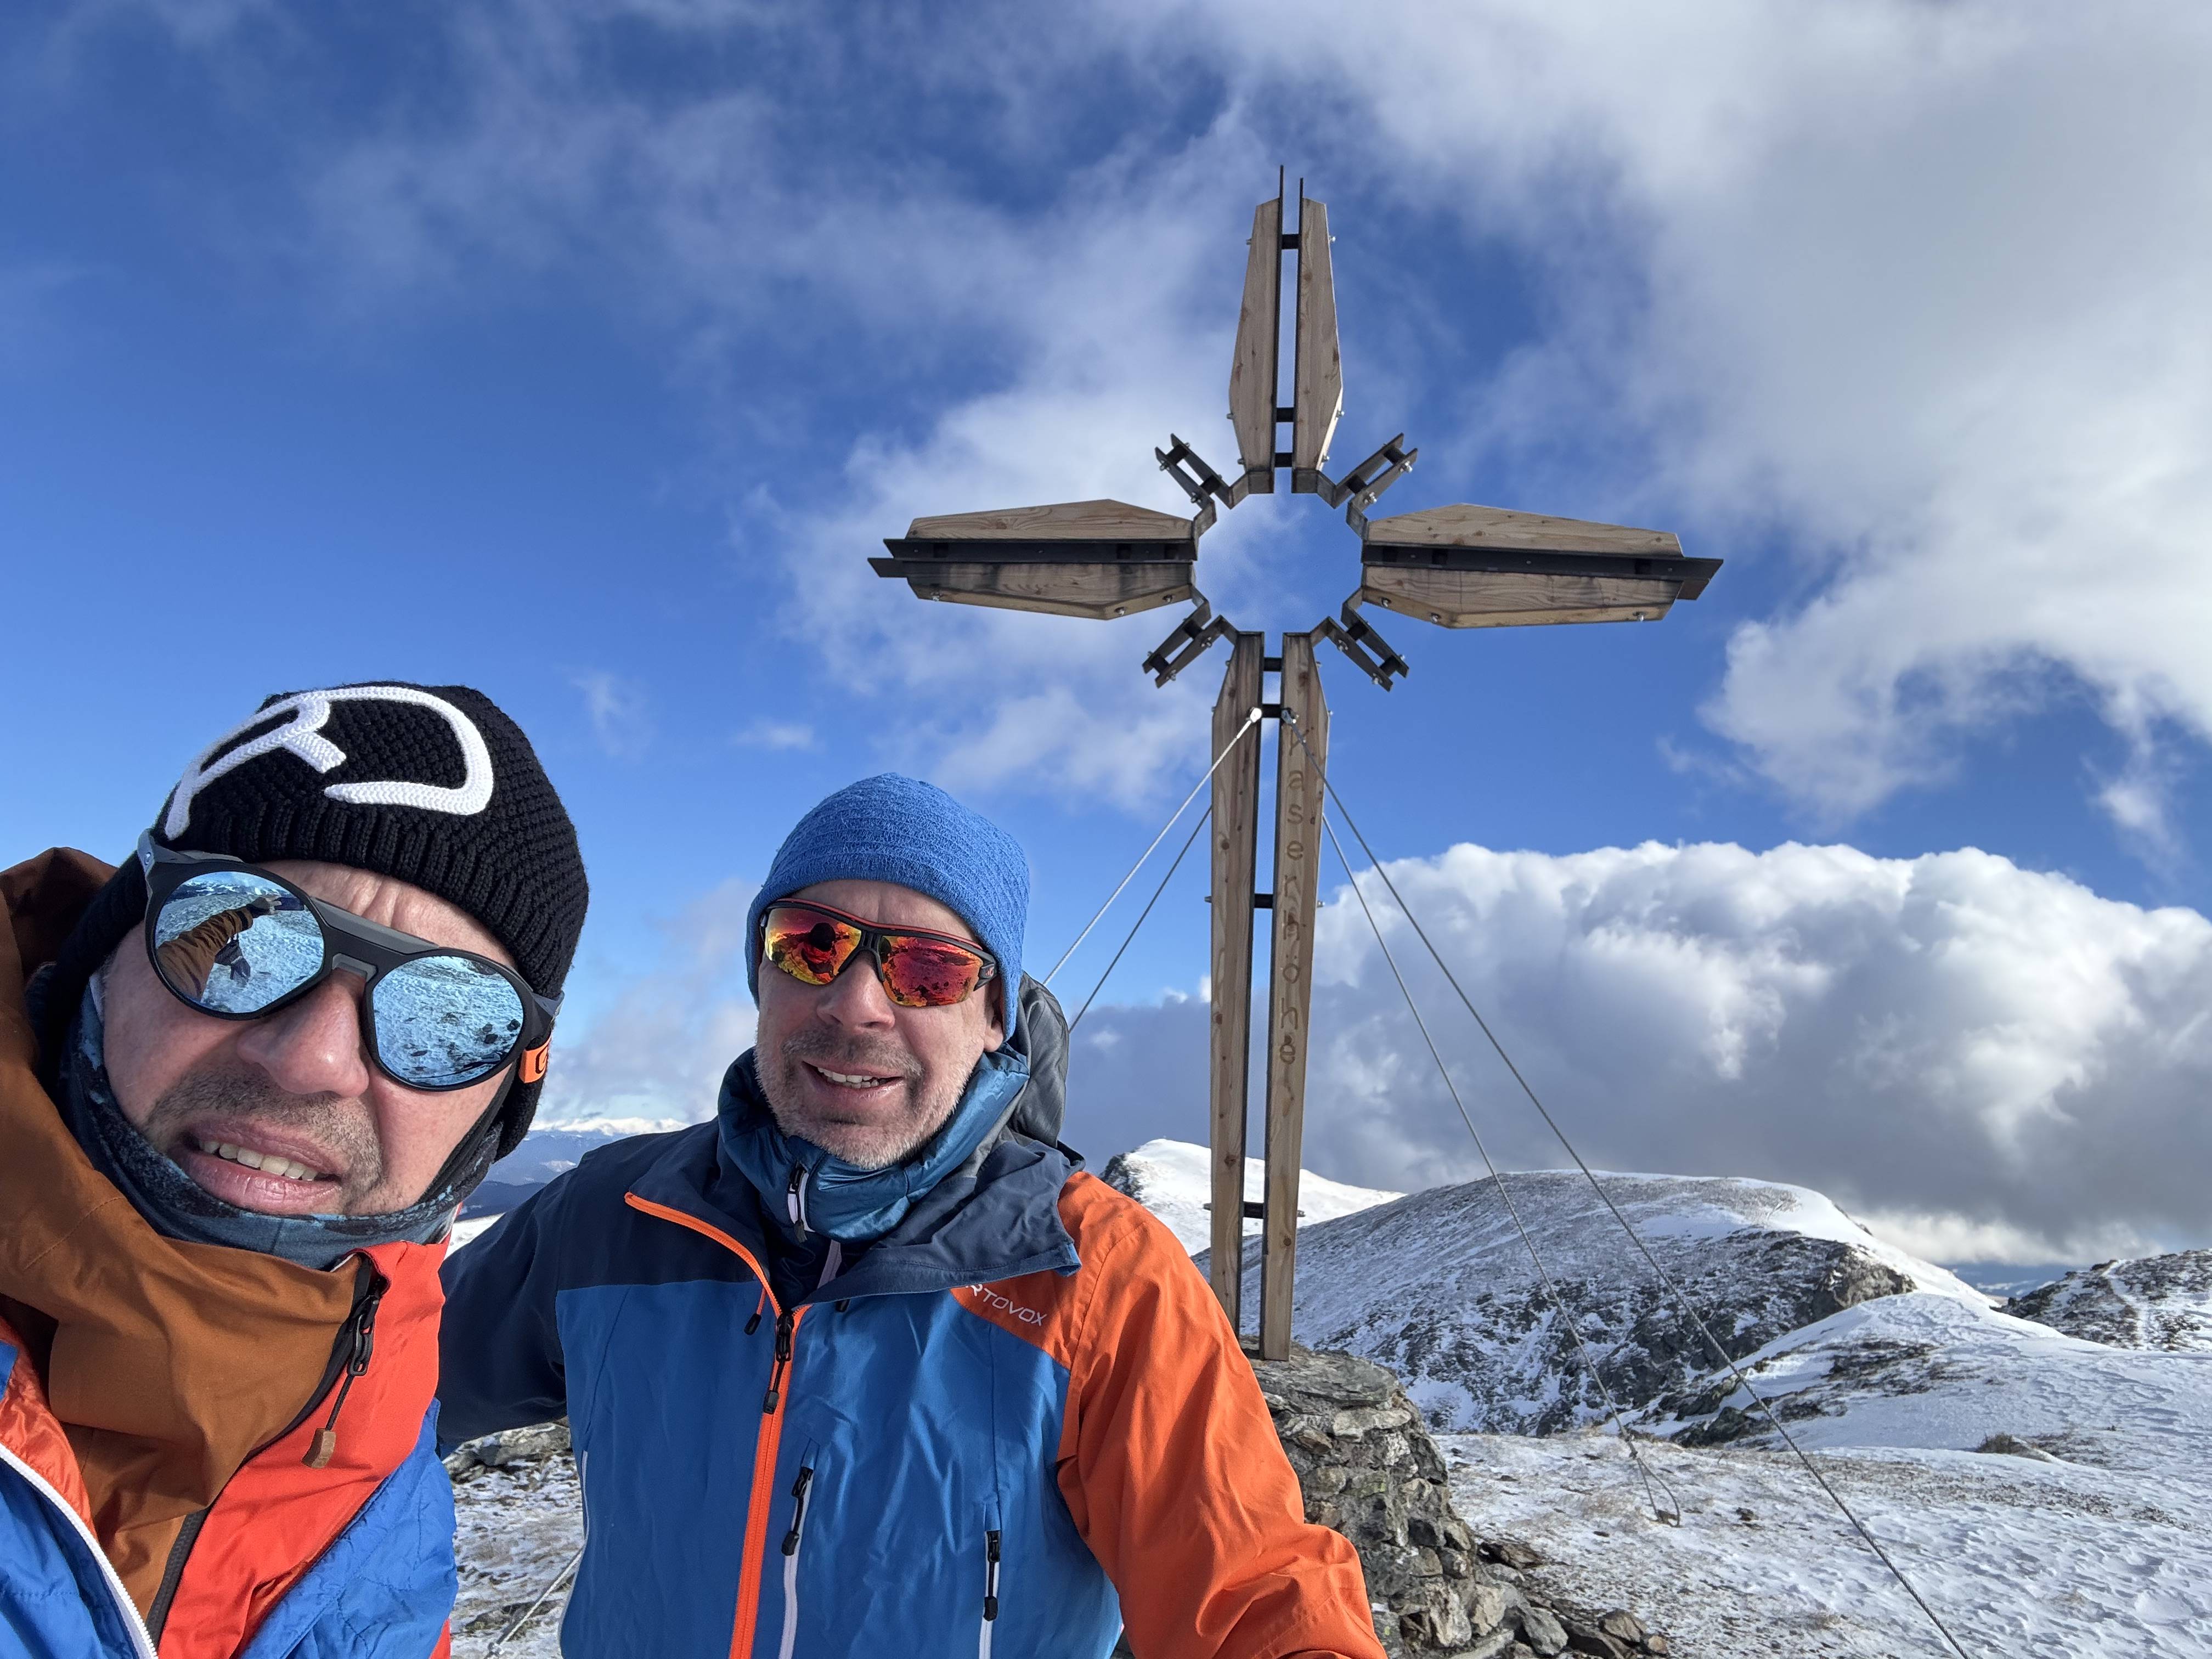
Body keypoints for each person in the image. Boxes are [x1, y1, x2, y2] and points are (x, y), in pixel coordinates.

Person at [439, 773, 1384, 1659]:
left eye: (928, 970)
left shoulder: (1095, 1277)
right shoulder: (615, 1213)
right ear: (761, 973)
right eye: (811, 943)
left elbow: (1255, 1596)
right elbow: (386, 1381)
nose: (856, 1004)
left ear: (994, 1016)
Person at [0, 681, 588, 1658]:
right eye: (240, 937)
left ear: (497, 1110)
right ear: (103, 959)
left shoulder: (389, 1481)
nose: (312, 1058)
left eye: (446, 1016)